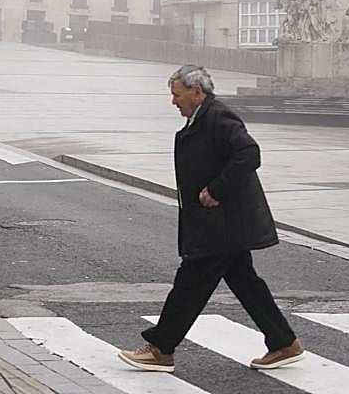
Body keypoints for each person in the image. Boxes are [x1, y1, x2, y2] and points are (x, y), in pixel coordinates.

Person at [119, 65, 304, 374]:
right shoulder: (201, 118)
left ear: (197, 92)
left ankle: (161, 349)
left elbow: (249, 153)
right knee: (246, 284)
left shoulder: (218, 117)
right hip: (222, 224)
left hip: (222, 224)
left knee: (190, 285)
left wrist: (217, 189)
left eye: (177, 95)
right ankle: (284, 343)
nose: (173, 101)